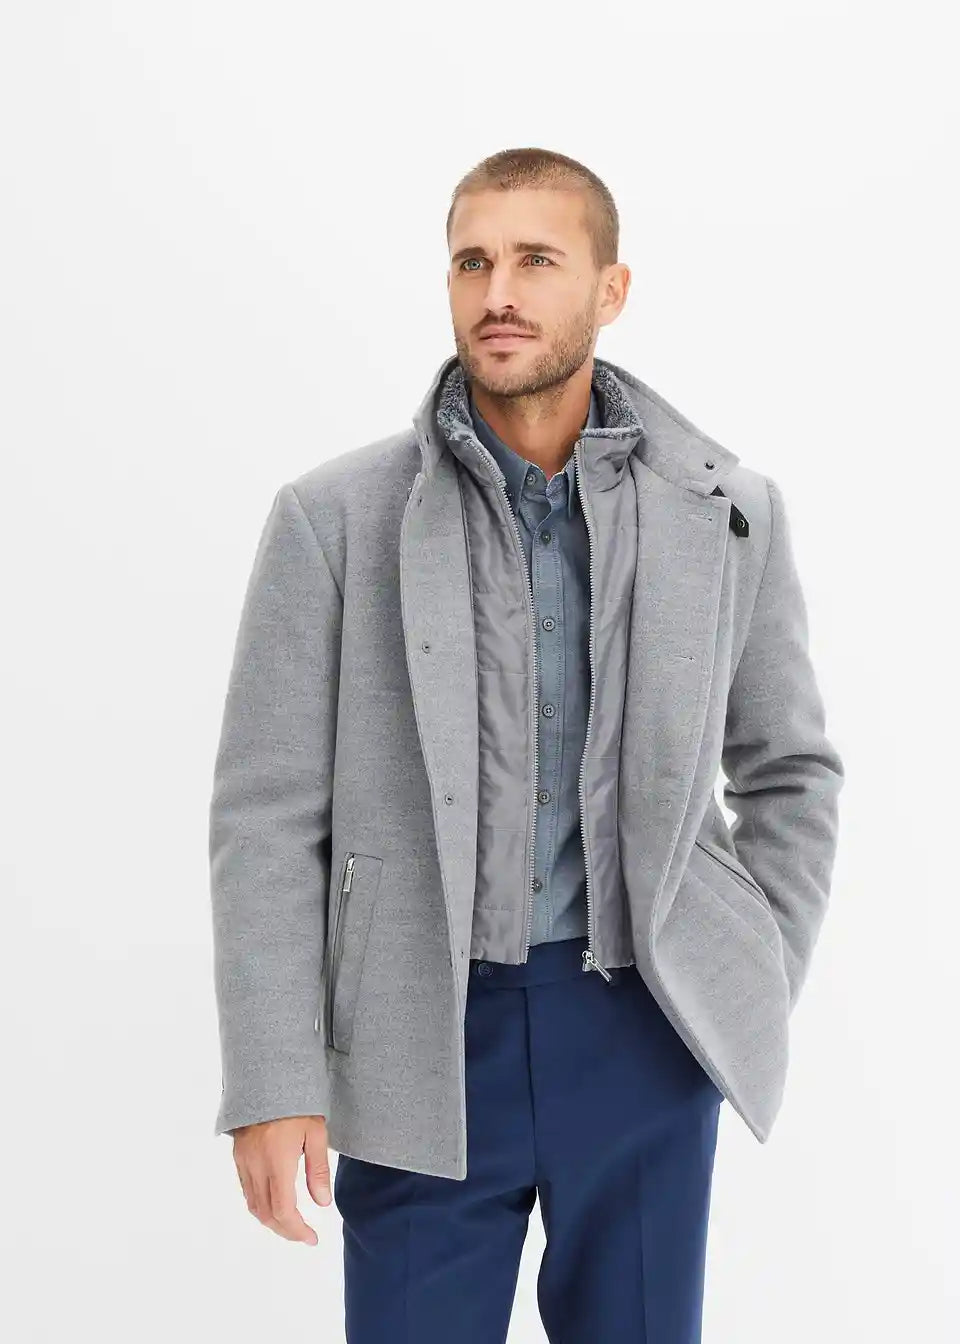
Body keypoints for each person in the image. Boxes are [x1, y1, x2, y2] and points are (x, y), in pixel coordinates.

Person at [208, 146, 844, 1342]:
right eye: (473, 263)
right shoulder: (334, 518)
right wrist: (273, 1075)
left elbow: (791, 772)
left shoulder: (726, 513)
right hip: (419, 1036)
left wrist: (742, 976)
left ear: (610, 289)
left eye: (536, 261)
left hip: (645, 1034)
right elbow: (266, 814)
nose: (497, 293)